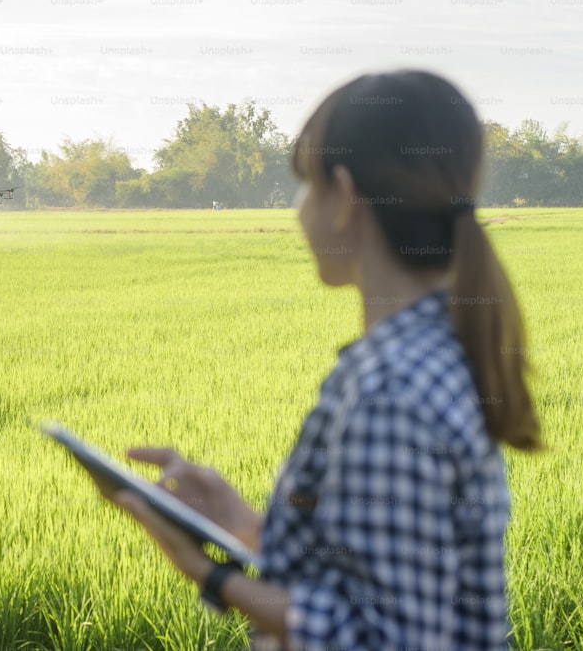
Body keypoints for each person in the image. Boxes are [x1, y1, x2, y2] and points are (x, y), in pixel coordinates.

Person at [93, 70, 543, 650]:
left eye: (306, 186)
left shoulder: (390, 390)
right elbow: (373, 579)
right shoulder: (432, 354)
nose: (299, 211)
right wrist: (241, 524)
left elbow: (386, 637)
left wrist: (209, 572)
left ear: (345, 198)